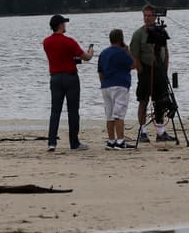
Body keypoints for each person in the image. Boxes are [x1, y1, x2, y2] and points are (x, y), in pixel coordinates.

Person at [42, 14, 94, 152]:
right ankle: (74, 142)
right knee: (73, 111)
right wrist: (90, 51)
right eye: (64, 24)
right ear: (60, 25)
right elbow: (86, 57)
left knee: (55, 111)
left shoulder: (46, 42)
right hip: (70, 77)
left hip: (55, 77)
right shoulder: (69, 41)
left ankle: (51, 142)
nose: (65, 26)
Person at [129, 5, 176, 143]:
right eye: (145, 15)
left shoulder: (160, 31)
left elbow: (165, 51)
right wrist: (140, 70)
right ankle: (142, 131)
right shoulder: (138, 34)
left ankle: (161, 132)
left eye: (149, 15)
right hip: (145, 70)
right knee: (143, 100)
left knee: (161, 101)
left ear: (155, 17)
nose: (147, 18)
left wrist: (165, 68)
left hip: (159, 70)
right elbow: (134, 55)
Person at [97, 28, 135, 150]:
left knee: (109, 114)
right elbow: (133, 64)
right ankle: (120, 141)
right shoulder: (122, 52)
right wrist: (128, 51)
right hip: (120, 85)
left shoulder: (103, 53)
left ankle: (111, 140)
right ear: (121, 39)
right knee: (119, 114)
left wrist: (103, 83)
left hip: (106, 85)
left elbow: (100, 72)